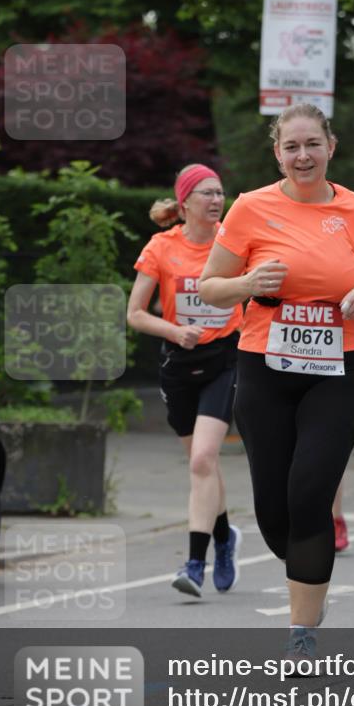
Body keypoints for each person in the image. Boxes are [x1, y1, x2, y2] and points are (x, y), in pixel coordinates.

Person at [199, 103, 354, 659]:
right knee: (273, 512)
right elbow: (210, 286)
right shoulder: (250, 207)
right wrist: (247, 284)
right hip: (265, 368)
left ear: (330, 147)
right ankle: (310, 582)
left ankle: (301, 631)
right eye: (292, 147)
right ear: (277, 154)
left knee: (309, 492)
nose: (303, 155)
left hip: (341, 371)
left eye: (312, 144)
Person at [127, 164, 243, 599]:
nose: (216, 200)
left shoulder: (233, 243)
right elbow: (135, 314)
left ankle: (194, 564)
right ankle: (225, 537)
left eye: (220, 192)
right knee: (203, 464)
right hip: (179, 364)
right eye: (206, 193)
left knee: (202, 459)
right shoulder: (162, 247)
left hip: (225, 359)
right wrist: (175, 332)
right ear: (185, 203)